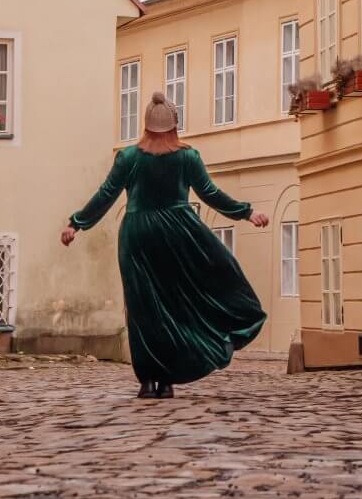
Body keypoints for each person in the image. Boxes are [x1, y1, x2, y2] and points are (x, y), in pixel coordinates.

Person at [61, 91, 269, 399]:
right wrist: (247, 213)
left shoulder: (129, 158)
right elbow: (210, 193)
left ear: (145, 127)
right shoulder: (187, 157)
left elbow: (106, 194)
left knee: (143, 310)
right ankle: (168, 378)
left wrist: (76, 223)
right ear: (174, 126)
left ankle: (147, 380)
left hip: (138, 236)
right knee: (176, 306)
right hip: (177, 234)